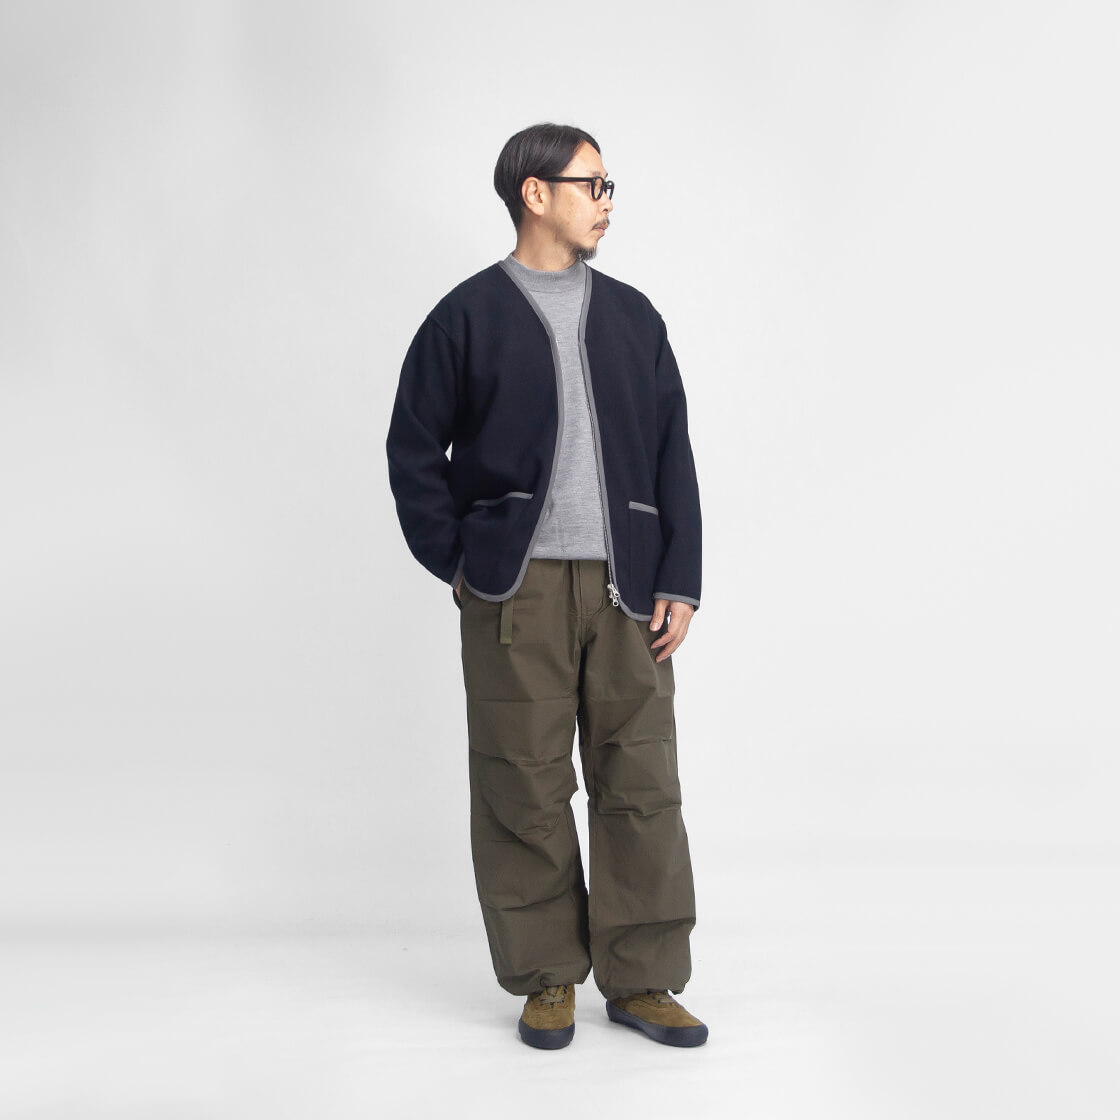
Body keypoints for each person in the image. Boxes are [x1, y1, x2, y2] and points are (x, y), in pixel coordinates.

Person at [386, 122, 706, 1049]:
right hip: (513, 596)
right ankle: (546, 978)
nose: (606, 201)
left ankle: (643, 979)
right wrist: (464, 562)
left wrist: (680, 578)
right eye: (591, 184)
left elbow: (672, 454)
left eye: (608, 186)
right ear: (535, 193)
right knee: (520, 786)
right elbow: (414, 451)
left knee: (642, 785)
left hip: (629, 591)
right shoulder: (466, 317)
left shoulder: (634, 317)